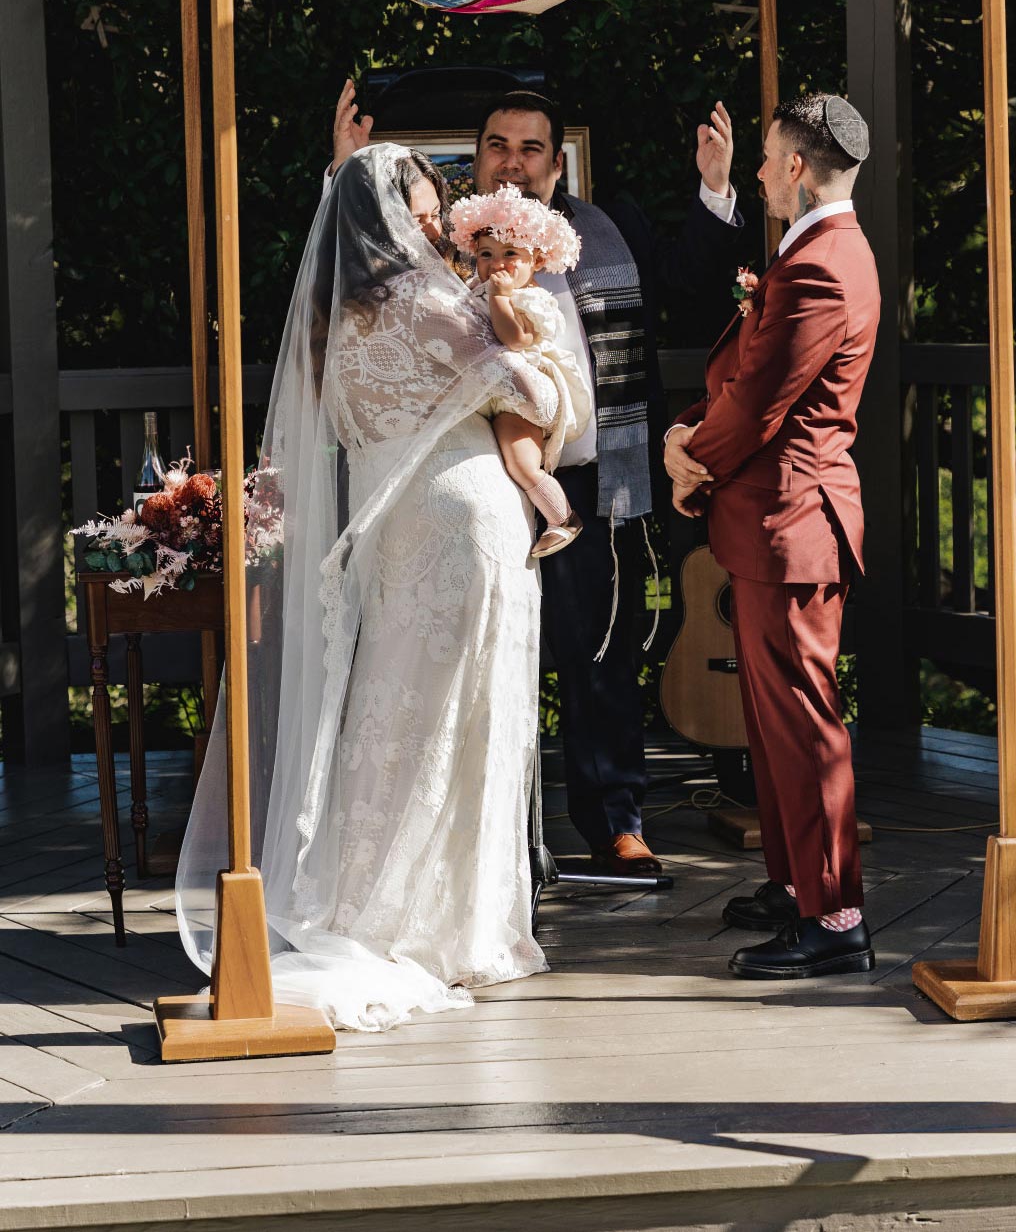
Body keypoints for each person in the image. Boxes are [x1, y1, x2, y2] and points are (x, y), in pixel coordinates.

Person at [176, 145, 561, 1030]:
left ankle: (373, 897)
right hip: (464, 520)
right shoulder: (432, 304)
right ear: (391, 218)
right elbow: (528, 396)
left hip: (390, 531)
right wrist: (553, 364)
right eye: (424, 208)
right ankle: (454, 928)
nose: (435, 223)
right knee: (463, 715)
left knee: (392, 713)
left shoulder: (332, 326)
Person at [331, 79, 746, 876]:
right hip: (473, 485)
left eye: (530, 148)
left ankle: (615, 820)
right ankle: (479, 845)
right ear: (476, 155)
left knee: (599, 656)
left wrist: (716, 187)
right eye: (497, 146)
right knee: (478, 660)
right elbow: (360, 271)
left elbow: (692, 282)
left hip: (591, 480)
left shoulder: (607, 227)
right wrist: (346, 174)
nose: (512, 163)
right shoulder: (439, 246)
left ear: (558, 162)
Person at [665, 93, 880, 980]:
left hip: (793, 521)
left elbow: (761, 402)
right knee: (772, 722)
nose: (755, 172)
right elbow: (749, 376)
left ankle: (836, 918)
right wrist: (692, 434)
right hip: (768, 518)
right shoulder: (811, 252)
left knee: (804, 726)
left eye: (764, 157)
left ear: (797, 166)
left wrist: (690, 460)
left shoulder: (826, 263)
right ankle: (798, 886)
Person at [449, 184, 591, 558]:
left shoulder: (532, 298)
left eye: (510, 253)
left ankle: (562, 517)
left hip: (521, 396)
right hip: (486, 391)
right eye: (486, 254)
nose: (497, 264)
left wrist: (499, 299)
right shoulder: (472, 290)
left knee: (520, 460)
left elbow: (515, 338)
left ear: (537, 262)